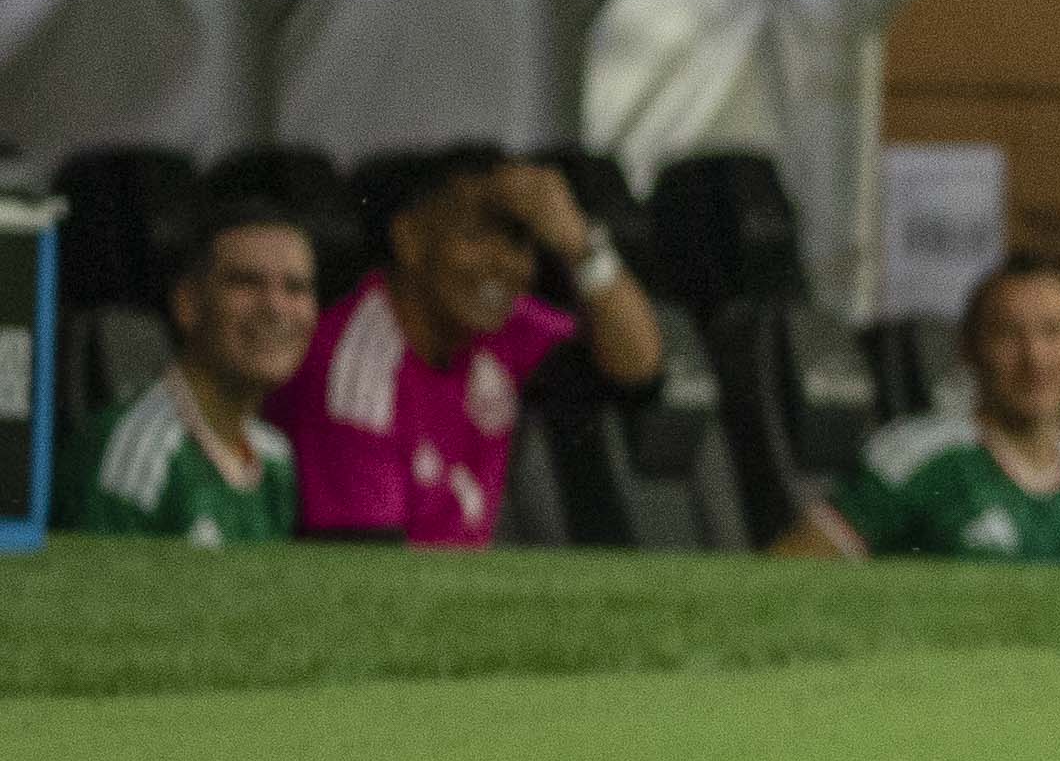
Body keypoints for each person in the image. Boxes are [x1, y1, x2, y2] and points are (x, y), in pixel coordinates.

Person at [274, 148, 664, 546]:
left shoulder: (499, 327)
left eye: (517, 240)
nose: (503, 262)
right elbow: (367, 571)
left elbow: (638, 369)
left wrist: (580, 244)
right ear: (409, 238)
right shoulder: (356, 369)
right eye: (475, 235)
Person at [777, 256, 1060, 566]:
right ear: (968, 349)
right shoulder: (914, 460)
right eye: (1008, 333)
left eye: (1053, 331)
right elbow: (785, 576)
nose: (1035, 357)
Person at [54, 199, 315, 543]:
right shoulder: (138, 452)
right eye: (246, 282)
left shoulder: (274, 457)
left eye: (296, 287)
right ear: (188, 303)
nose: (275, 307)